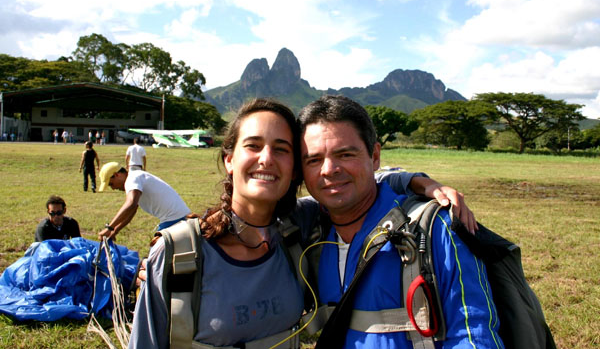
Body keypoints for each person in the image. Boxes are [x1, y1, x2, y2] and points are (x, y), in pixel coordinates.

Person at [128, 98, 475, 349]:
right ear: (229, 158)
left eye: (281, 149)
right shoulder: (180, 255)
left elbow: (355, 181)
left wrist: (416, 181)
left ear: (293, 169)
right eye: (253, 146)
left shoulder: (301, 228)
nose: (266, 158)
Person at [295, 95, 502, 348]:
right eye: (314, 160)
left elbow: (472, 334)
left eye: (345, 154)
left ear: (375, 156)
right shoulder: (309, 231)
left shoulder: (433, 228)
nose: (329, 169)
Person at [97, 162, 191, 240]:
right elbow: (132, 210)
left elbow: (131, 203)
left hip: (174, 219)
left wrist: (110, 227)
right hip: (178, 217)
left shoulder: (132, 179)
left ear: (117, 175)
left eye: (111, 184)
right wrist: (115, 230)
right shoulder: (136, 177)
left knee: (155, 258)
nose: (113, 188)